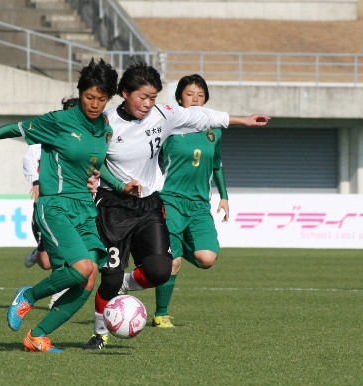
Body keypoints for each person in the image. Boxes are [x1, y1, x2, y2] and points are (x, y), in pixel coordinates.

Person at [82, 62, 270, 350]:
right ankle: (99, 334)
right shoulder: (105, 123)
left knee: (160, 270)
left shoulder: (164, 115)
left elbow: (201, 115)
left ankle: (125, 285)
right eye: (142, 97)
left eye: (153, 97)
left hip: (148, 205)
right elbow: (95, 162)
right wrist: (119, 184)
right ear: (124, 93)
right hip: (114, 207)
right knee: (109, 278)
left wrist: (242, 120)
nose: (148, 104)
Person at [0, 58, 118, 352]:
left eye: (102, 99)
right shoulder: (59, 121)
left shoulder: (104, 128)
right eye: (89, 97)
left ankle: (37, 336)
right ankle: (29, 295)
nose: (95, 104)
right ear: (80, 93)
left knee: (87, 281)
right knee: (81, 268)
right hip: (55, 206)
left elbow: (97, 168)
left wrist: (119, 184)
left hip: (85, 210)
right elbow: (16, 128)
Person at [121, 74, 229, 328]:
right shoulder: (170, 126)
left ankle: (156, 259)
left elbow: (218, 164)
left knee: (207, 258)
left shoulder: (213, 131)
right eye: (190, 94)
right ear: (180, 98)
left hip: (200, 205)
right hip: (169, 201)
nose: (196, 99)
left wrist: (224, 196)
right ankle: (161, 314)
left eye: (201, 95)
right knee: (173, 262)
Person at [23, 96, 79, 271]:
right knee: (46, 263)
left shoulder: (88, 138)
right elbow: (29, 159)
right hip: (48, 202)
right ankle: (38, 253)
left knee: (74, 255)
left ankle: (59, 295)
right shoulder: (48, 136)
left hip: (75, 202)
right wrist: (36, 181)